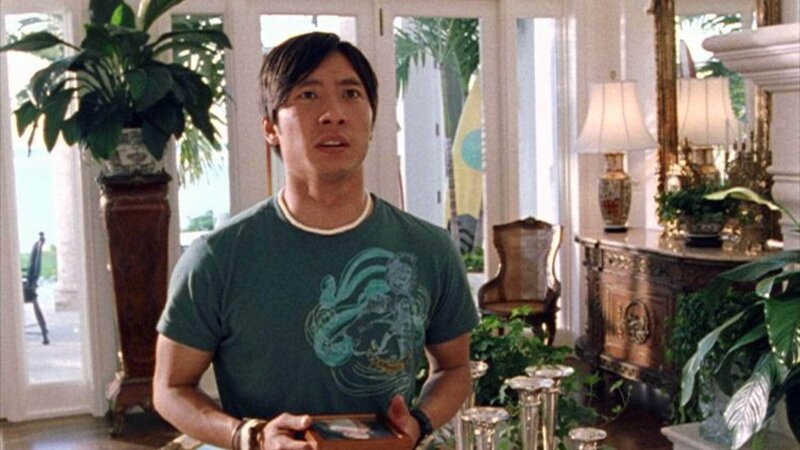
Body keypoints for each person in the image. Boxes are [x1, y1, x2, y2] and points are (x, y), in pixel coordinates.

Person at [153, 32, 479, 450]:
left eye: (351, 94)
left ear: (372, 120)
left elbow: (454, 369)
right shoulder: (217, 258)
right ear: (270, 127)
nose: (333, 114)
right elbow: (171, 387)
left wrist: (419, 422)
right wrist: (249, 436)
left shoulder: (429, 249)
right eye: (308, 95)